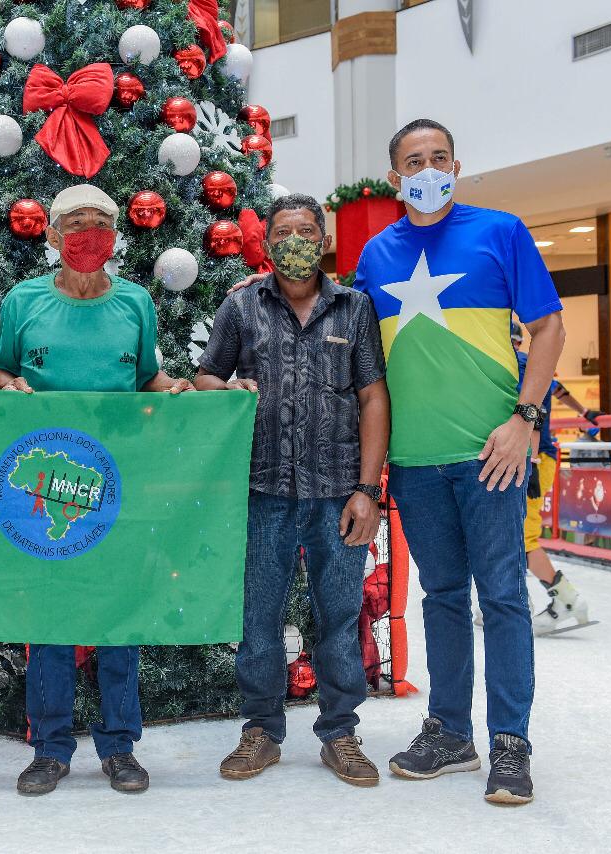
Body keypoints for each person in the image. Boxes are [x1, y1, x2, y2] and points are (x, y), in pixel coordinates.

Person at [354, 119, 565, 806]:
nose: (428, 168)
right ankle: (449, 731)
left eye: (438, 157)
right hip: (415, 462)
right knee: (442, 597)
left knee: (502, 596)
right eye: (414, 160)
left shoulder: (501, 232)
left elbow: (548, 326)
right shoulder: (376, 254)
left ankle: (510, 741)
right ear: (395, 177)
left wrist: (525, 418)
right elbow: (352, 346)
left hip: (490, 455)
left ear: (456, 166)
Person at [0, 184, 195, 796]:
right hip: (45, 487)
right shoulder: (23, 301)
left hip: (116, 482)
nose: (89, 234)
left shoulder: (135, 302)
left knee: (118, 618)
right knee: (49, 618)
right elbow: (0, 370)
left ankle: (120, 747)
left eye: (101, 223)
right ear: (52, 235)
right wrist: (6, 385)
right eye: (76, 223)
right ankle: (49, 749)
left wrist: (173, 390)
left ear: (116, 237)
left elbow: (147, 377)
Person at [196, 193, 390, 787]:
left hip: (339, 493)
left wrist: (368, 489)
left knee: (339, 617)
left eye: (306, 231)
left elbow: (373, 398)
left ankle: (340, 733)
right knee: (258, 618)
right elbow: (206, 377)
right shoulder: (242, 306)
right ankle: (261, 729)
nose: (295, 241)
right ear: (267, 243)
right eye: (282, 232)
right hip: (261, 490)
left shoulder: (354, 309)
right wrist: (226, 390)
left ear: (323, 239)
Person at [510, 322, 590, 635]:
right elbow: (559, 391)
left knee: (523, 538)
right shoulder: (530, 360)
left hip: (532, 457)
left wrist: (529, 462)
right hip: (532, 456)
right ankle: (517, 599)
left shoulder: (517, 364)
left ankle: (567, 601)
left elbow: (533, 415)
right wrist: (585, 413)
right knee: (513, 534)